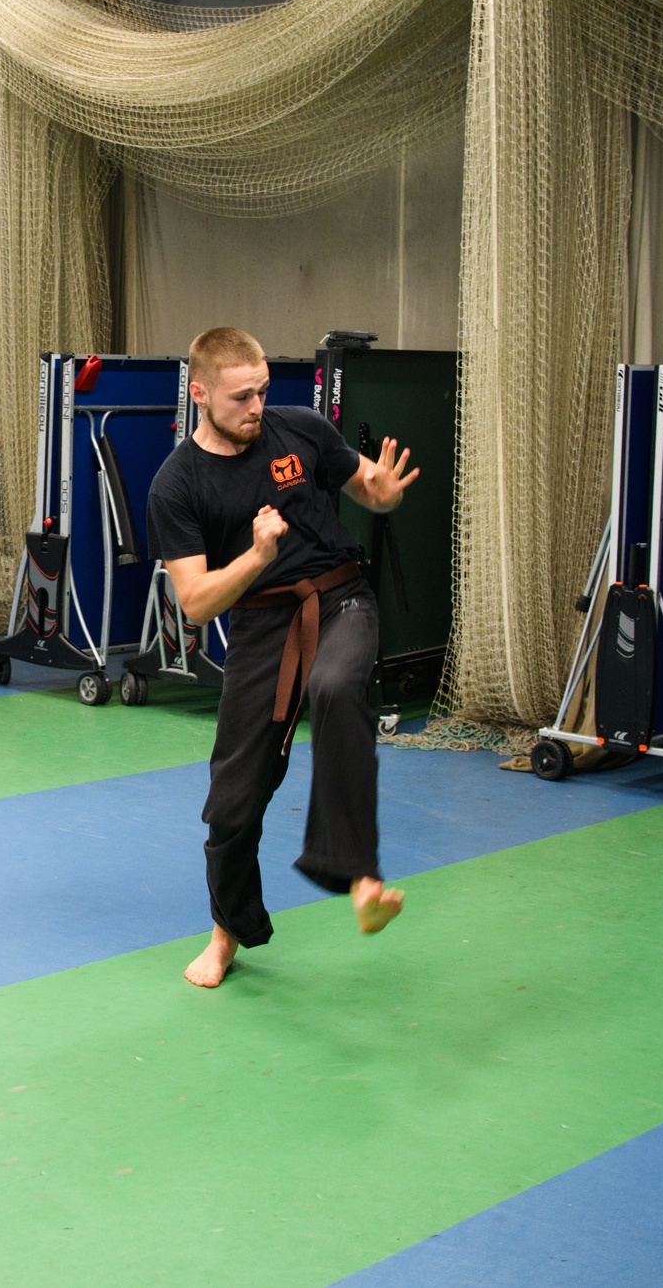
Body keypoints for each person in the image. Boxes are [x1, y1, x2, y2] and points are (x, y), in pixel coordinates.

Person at [145, 327, 420, 989]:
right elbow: (196, 602)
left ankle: (359, 877)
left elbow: (367, 486)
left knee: (335, 686)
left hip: (341, 599)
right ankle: (226, 932)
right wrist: (256, 556)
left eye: (263, 391)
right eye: (241, 397)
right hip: (261, 624)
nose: (256, 407)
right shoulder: (176, 484)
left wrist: (384, 492)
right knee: (232, 802)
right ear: (200, 392)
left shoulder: (301, 430)